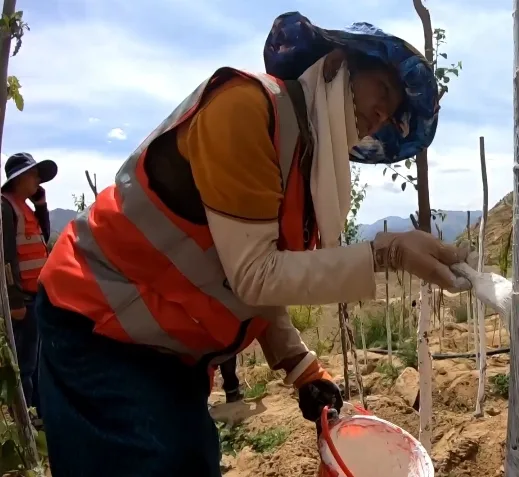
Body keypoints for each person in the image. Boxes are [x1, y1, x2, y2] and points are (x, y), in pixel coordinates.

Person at [35, 12, 470, 476]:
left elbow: (262, 279)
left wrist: (300, 366)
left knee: (191, 460)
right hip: (98, 322)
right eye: (382, 89)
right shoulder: (247, 109)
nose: (383, 114)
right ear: (335, 65)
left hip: (165, 348)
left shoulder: (305, 161)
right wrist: (387, 254)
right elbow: (255, 275)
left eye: (392, 112)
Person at [1, 152, 55, 425]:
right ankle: (24, 420)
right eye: (34, 174)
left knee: (36, 361)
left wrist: (42, 206)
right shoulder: (5, 208)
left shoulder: (24, 208)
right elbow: (6, 257)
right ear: (19, 178)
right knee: (25, 363)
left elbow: (44, 238)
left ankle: (37, 413)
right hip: (23, 300)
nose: (38, 180)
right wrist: (14, 300)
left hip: (37, 297)